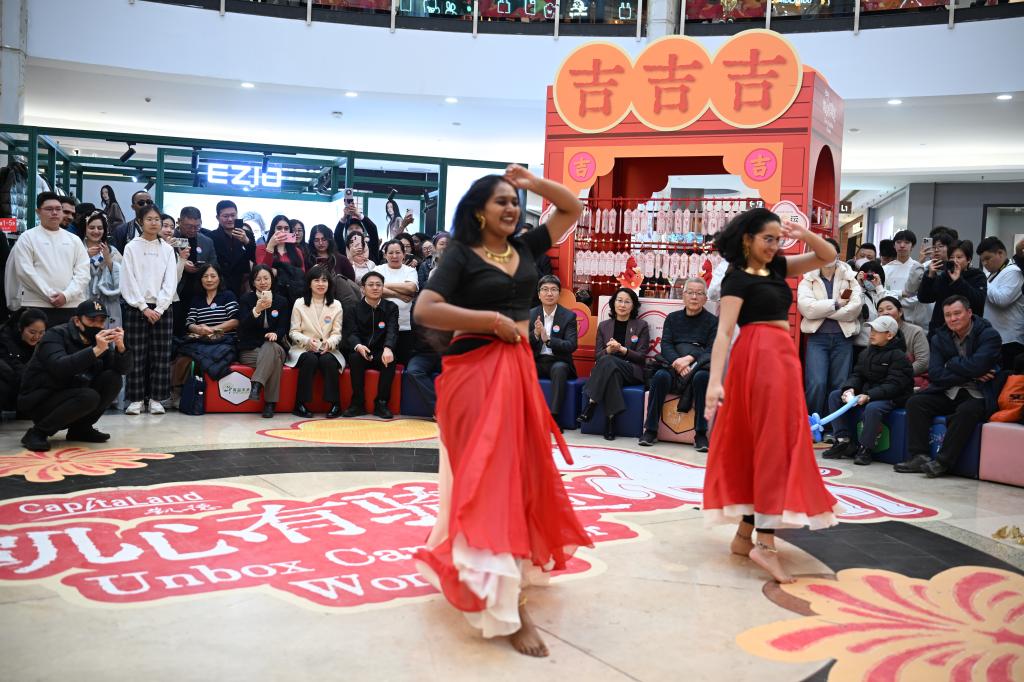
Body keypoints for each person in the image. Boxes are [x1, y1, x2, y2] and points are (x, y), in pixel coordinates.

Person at [412, 165, 590, 657]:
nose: (511, 208)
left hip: (516, 371)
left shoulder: (526, 247)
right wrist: (490, 320)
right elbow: (425, 309)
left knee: (520, 475)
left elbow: (572, 207)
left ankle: (503, 575)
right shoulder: (460, 255)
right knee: (489, 480)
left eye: (515, 201)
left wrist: (534, 184)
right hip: (472, 374)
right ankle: (510, 607)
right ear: (478, 211)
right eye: (502, 201)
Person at [704, 207, 840, 585]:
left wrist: (804, 234)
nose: (775, 246)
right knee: (772, 446)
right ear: (747, 238)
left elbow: (828, 255)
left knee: (769, 443)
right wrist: (715, 382)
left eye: (779, 240)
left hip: (782, 358)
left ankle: (744, 535)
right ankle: (764, 545)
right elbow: (723, 332)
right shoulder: (736, 278)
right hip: (758, 359)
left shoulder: (778, 266)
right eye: (768, 238)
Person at [895, 296, 1002, 478]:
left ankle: (942, 462)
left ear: (969, 313)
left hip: (979, 392)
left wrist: (951, 363)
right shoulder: (939, 338)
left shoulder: (989, 335)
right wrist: (972, 372)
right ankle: (919, 456)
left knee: (967, 411)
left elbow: (979, 365)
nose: (953, 319)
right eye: (948, 315)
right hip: (948, 389)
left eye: (957, 313)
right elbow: (936, 373)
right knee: (916, 402)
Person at [17, 300, 130, 452]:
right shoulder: (55, 335)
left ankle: (80, 429)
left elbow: (123, 370)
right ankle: (37, 432)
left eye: (101, 321)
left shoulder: (97, 340)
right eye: (92, 320)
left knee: (113, 379)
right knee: (88, 396)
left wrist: (121, 348)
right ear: (77, 320)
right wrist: (96, 350)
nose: (97, 325)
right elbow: (59, 367)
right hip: (41, 399)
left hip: (71, 393)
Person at [822, 315, 914, 465]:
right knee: (835, 396)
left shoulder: (899, 357)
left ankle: (865, 449)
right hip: (869, 392)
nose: (872, 334)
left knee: (873, 408)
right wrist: (850, 389)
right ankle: (843, 441)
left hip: (894, 397)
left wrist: (869, 396)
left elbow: (894, 386)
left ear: (889, 335)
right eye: (872, 330)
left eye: (877, 331)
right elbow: (857, 375)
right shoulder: (866, 352)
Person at [640, 277, 717, 450]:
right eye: (690, 292)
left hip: (698, 367)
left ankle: (701, 434)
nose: (694, 297)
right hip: (672, 367)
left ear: (705, 298)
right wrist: (677, 362)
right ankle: (650, 430)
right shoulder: (672, 318)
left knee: (702, 378)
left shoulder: (713, 321)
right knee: (660, 377)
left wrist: (689, 359)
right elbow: (666, 345)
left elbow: (711, 349)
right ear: (683, 295)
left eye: (699, 293)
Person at [798, 242, 863, 432]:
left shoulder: (850, 277)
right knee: (816, 383)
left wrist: (823, 310)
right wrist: (835, 304)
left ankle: (836, 428)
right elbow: (807, 309)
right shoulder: (808, 278)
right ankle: (812, 426)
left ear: (838, 254)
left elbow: (854, 309)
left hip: (843, 338)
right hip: (817, 338)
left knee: (839, 384)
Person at [120, 203, 177, 416]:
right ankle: (135, 399)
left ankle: (156, 399)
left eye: (157, 219)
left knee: (161, 355)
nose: (154, 223)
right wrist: (144, 307)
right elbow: (128, 280)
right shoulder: (131, 247)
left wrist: (160, 308)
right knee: (136, 354)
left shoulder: (167, 249)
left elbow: (170, 282)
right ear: (140, 222)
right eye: (149, 219)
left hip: (163, 308)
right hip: (137, 307)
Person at [6, 192, 90, 327]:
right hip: (36, 305)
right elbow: (25, 272)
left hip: (71, 305)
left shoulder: (74, 240)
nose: (54, 213)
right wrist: (49, 294)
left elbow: (83, 273)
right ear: (38, 212)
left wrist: (67, 295)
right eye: (49, 209)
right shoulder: (27, 238)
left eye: (58, 209)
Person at [578, 287, 650, 441]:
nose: (622, 305)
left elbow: (641, 357)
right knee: (611, 371)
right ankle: (610, 422)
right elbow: (598, 356)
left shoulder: (641, 325)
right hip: (611, 370)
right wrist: (609, 350)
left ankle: (592, 402)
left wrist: (622, 350)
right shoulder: (604, 326)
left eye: (627, 302)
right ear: (613, 303)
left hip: (631, 370)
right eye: (619, 300)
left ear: (633, 305)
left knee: (608, 361)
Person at [287, 265, 344, 418]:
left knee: (328, 360)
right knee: (310, 359)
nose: (321, 284)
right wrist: (307, 341)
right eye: (316, 280)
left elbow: (337, 333)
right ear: (309, 283)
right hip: (303, 348)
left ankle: (335, 404)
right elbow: (293, 332)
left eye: (324, 280)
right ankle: (300, 404)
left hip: (327, 348)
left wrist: (329, 343)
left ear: (329, 283)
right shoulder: (299, 303)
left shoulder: (336, 304)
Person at [175, 263, 239, 393]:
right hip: (202, 341)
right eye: (205, 276)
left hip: (224, 341)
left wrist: (213, 329)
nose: (209, 280)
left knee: (212, 358)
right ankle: (180, 393)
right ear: (201, 279)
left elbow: (235, 321)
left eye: (213, 276)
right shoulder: (197, 299)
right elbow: (189, 323)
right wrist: (198, 329)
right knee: (182, 357)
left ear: (219, 278)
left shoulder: (227, 295)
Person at [343, 271, 400, 419]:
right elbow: (351, 332)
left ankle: (381, 403)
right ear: (363, 289)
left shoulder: (391, 307)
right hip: (362, 350)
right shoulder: (353, 308)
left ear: (383, 287)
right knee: (354, 357)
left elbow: (392, 330)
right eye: (371, 285)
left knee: (390, 359)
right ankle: (357, 404)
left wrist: (388, 348)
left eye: (378, 285)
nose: (375, 288)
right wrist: (358, 346)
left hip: (381, 350)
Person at [238, 265, 289, 418]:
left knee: (271, 347)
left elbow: (283, 327)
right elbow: (243, 327)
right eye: (258, 279)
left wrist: (276, 334)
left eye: (266, 278)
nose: (263, 282)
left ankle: (256, 384)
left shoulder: (281, 301)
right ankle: (270, 404)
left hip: (276, 346)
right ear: (253, 282)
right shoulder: (246, 300)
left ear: (272, 280)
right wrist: (257, 310)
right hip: (251, 350)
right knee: (274, 360)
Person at [528, 274, 578, 426]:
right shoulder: (530, 314)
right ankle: (525, 416)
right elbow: (522, 343)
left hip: (559, 361)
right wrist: (535, 334)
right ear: (539, 294)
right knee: (519, 368)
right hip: (537, 361)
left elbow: (571, 345)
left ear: (559, 293)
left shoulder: (569, 316)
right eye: (545, 289)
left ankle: (554, 417)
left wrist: (549, 340)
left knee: (559, 369)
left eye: (553, 289)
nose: (549, 293)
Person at [919, 238, 987, 337]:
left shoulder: (977, 276)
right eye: (951, 257)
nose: (955, 261)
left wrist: (958, 281)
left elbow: (978, 302)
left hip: (968, 333)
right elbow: (924, 298)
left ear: (968, 260)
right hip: (940, 332)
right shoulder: (945, 275)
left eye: (959, 257)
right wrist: (930, 276)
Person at [976, 237, 1024, 369]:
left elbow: (1002, 300)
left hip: (1010, 340)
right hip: (994, 338)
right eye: (982, 260)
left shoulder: (1014, 271)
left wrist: (982, 281)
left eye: (988, 258)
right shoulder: (991, 274)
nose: (985, 263)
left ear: (1000, 253)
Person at [374, 239, 419, 364]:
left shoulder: (410, 271)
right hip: (382, 327)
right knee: (385, 363)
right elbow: (375, 290)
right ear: (385, 255)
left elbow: (411, 288)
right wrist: (399, 295)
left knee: (404, 364)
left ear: (404, 254)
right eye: (390, 253)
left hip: (405, 326)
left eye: (398, 252)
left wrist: (385, 285)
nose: (394, 256)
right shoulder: (378, 270)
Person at [203, 200, 256, 297]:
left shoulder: (247, 235)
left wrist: (246, 241)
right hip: (220, 285)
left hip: (242, 285)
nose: (230, 219)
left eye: (233, 215)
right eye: (225, 216)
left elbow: (255, 258)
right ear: (218, 217)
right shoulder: (210, 237)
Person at [81, 212, 123, 330]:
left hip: (108, 302)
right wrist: (85, 256)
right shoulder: (78, 249)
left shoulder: (112, 251)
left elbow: (122, 280)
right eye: (92, 227)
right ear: (85, 229)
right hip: (85, 299)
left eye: (100, 228)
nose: (96, 231)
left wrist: (108, 260)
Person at [0, 309, 47, 414]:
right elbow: (15, 368)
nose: (36, 337)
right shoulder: (5, 339)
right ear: (20, 328)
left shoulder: (45, 341)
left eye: (41, 333)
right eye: (32, 332)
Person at [883, 229, 929, 330]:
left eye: (907, 242)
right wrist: (902, 296)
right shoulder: (885, 269)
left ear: (912, 246)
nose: (902, 245)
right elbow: (882, 292)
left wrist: (898, 297)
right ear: (894, 245)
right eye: (898, 242)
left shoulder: (919, 267)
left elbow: (920, 294)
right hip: (890, 317)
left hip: (915, 318)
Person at [876, 296, 930, 377]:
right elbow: (869, 359)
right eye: (880, 311)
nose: (885, 313)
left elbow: (923, 362)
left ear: (900, 312)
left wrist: (898, 375)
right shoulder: (876, 333)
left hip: (909, 378)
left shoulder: (916, 331)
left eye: (889, 308)